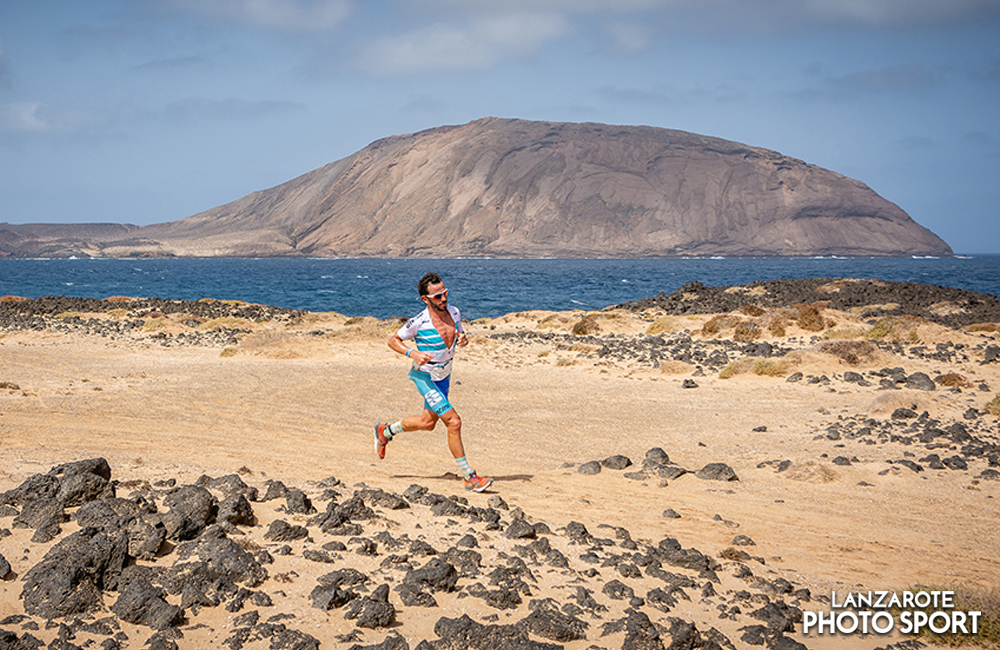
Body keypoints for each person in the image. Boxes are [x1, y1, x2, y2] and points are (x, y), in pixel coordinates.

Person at [374, 273, 493, 492]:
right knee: (454, 422)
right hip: (425, 377)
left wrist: (463, 339)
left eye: (445, 293)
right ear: (425, 299)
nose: (443, 299)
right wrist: (413, 353)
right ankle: (469, 476)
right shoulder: (419, 322)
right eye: (437, 296)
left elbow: (458, 335)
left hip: (444, 377)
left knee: (427, 424)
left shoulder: (455, 312)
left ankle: (385, 431)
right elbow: (393, 340)